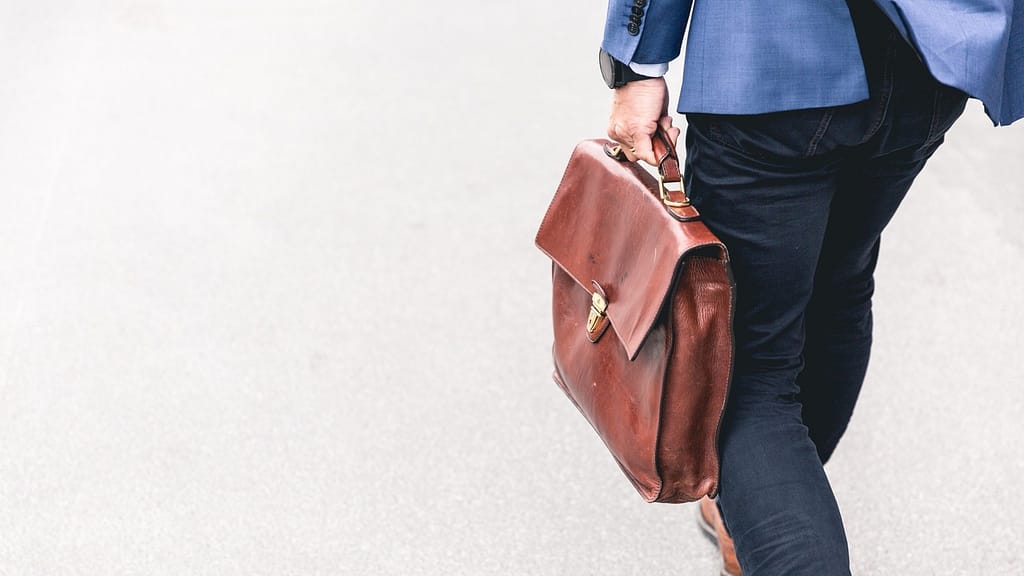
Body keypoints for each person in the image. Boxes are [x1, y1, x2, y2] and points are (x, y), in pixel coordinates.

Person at [598, 0, 1023, 574]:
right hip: (929, 63)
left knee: (747, 367)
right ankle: (762, 499)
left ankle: (769, 502)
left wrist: (636, 62)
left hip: (773, 61)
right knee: (839, 288)